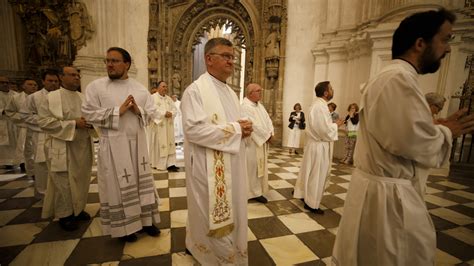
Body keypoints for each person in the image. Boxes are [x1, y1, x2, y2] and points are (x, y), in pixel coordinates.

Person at [333, 9, 474, 266]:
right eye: (445, 40)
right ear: (420, 43)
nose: (449, 49)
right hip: (388, 200)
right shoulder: (398, 80)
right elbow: (411, 142)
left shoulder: (393, 76)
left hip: (379, 191)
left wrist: (432, 128)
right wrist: (446, 131)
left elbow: (400, 132)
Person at [181, 37, 253, 265]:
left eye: (233, 57)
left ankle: (227, 253)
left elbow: (234, 126)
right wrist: (235, 129)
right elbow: (193, 130)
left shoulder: (231, 93)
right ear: (209, 59)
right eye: (226, 56)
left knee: (234, 208)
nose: (232, 61)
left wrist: (245, 129)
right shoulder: (195, 91)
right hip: (206, 166)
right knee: (207, 212)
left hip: (233, 163)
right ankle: (212, 256)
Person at [82, 47, 161, 242]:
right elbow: (88, 113)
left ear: (127, 64)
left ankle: (146, 221)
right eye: (107, 61)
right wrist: (118, 111)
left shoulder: (140, 89)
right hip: (114, 148)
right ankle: (125, 228)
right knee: (118, 186)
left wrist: (138, 109)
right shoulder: (97, 87)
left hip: (138, 148)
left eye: (115, 61)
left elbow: (152, 114)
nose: (109, 64)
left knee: (142, 184)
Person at [38, 66, 94, 231]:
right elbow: (43, 122)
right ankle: (65, 214)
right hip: (61, 146)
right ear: (61, 77)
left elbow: (91, 118)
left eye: (78, 75)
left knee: (81, 178)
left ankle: (78, 209)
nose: (77, 78)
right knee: (63, 181)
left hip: (82, 145)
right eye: (72, 75)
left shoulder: (83, 97)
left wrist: (91, 123)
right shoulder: (51, 98)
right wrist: (73, 124)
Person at [293, 82, 344, 214]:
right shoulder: (321, 107)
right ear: (326, 93)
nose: (333, 90)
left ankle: (306, 197)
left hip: (314, 144)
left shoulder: (316, 105)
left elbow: (320, 126)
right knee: (317, 174)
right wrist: (336, 125)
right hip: (319, 146)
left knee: (310, 173)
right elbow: (324, 130)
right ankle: (312, 204)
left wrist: (331, 125)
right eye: (331, 89)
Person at [24, 69, 60, 197]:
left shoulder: (61, 95)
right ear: (43, 81)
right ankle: (43, 193)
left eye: (56, 81)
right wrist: (46, 122)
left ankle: (58, 193)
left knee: (58, 163)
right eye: (50, 81)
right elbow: (26, 116)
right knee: (41, 165)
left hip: (59, 134)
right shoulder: (34, 97)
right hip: (40, 134)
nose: (53, 83)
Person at [242, 83, 274, 204]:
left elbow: (268, 120)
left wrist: (271, 133)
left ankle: (257, 191)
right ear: (250, 93)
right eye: (258, 91)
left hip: (261, 142)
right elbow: (253, 125)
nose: (261, 92)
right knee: (252, 169)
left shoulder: (259, 105)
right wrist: (267, 136)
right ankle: (251, 193)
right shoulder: (245, 107)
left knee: (259, 168)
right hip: (252, 144)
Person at [5, 79, 39, 176]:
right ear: (23, 86)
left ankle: (41, 171)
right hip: (24, 127)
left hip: (39, 127)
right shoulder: (16, 98)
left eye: (35, 84)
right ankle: (32, 172)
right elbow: (9, 111)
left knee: (39, 150)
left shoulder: (41, 97)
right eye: (30, 84)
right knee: (28, 151)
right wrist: (23, 117)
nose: (33, 86)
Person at [149, 81, 179, 172]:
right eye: (163, 86)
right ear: (158, 88)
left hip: (168, 126)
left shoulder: (168, 99)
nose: (165, 88)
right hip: (159, 126)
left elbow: (175, 109)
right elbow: (151, 110)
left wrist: (171, 113)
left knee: (170, 144)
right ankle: (159, 164)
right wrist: (163, 114)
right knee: (160, 144)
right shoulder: (152, 98)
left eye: (166, 86)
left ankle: (171, 164)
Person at [0, 76, 24, 168]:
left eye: (7, 82)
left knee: (19, 143)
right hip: (3, 122)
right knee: (5, 145)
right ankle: (6, 163)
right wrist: (2, 111)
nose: (5, 84)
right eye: (2, 82)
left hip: (15, 122)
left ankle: (21, 161)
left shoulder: (16, 95)